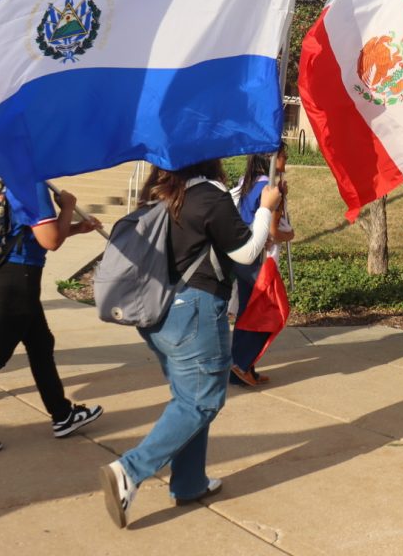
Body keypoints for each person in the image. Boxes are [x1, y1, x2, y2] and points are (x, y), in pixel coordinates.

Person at [100, 160, 278, 529]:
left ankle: (190, 482)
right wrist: (265, 208)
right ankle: (129, 471)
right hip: (195, 311)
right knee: (202, 400)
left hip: (157, 313)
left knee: (189, 399)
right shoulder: (207, 196)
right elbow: (246, 252)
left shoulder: (159, 195)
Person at [0, 183, 104, 454]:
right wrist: (69, 208)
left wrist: (74, 228)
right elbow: (50, 241)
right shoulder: (32, 185)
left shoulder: (8, 179)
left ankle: (62, 414)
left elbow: (29, 234)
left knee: (41, 345)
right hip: (17, 282)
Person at [229, 144, 295, 387]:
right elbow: (275, 232)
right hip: (258, 260)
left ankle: (242, 367)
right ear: (271, 157)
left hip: (244, 258)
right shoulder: (269, 189)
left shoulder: (249, 183)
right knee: (270, 310)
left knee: (248, 311)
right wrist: (291, 235)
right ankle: (242, 364)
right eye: (283, 153)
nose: (287, 157)